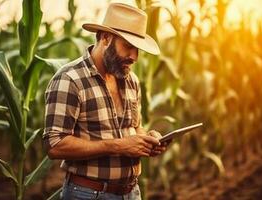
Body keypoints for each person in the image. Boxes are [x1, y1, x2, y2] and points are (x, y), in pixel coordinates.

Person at [43, 3, 170, 200]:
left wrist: (149, 139)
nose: (134, 57)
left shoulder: (131, 80)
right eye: (128, 47)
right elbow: (55, 145)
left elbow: (134, 128)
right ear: (105, 38)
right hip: (87, 194)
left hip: (131, 193)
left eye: (137, 49)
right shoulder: (70, 80)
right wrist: (118, 145)